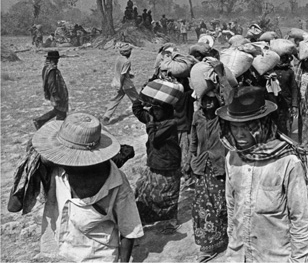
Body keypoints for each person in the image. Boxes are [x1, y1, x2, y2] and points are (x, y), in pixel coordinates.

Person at [217, 86, 308, 262]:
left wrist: (299, 260)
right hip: (239, 254)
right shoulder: (233, 156)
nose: (239, 134)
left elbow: (300, 219)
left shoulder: (288, 162)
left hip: (273, 256)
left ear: (261, 126)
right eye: (234, 127)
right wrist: (232, 244)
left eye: (246, 127)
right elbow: (232, 206)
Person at [33, 112, 143, 262]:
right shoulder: (56, 171)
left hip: (98, 257)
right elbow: (15, 206)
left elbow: (129, 230)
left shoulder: (116, 183)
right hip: (64, 253)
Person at [183, 91, 229, 262]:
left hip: (220, 167)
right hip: (202, 168)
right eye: (206, 100)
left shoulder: (223, 117)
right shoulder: (197, 117)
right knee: (201, 206)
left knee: (220, 204)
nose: (209, 103)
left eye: (212, 100)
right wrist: (189, 160)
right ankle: (207, 244)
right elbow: (193, 141)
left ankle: (220, 239)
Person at [132, 83, 182, 233]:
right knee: (149, 193)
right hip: (155, 162)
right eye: (153, 108)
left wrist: (151, 122)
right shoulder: (154, 119)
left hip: (168, 165)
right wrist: (141, 96)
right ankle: (152, 218)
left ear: (165, 111)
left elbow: (154, 139)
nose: (153, 111)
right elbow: (138, 111)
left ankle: (170, 222)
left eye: (156, 109)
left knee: (167, 195)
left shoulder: (171, 123)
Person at [102, 43, 139, 125]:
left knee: (115, 100)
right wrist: (121, 85)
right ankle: (141, 114)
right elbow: (122, 74)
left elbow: (121, 71)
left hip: (116, 82)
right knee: (137, 100)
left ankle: (106, 117)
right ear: (128, 52)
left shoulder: (118, 58)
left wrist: (128, 75)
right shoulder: (127, 61)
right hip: (125, 85)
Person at [34, 51, 69, 130]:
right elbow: (51, 83)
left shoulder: (47, 67)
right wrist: (55, 95)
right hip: (57, 94)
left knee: (57, 110)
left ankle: (39, 121)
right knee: (61, 114)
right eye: (56, 59)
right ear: (52, 59)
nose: (57, 61)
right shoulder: (52, 69)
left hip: (55, 93)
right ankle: (59, 130)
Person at [272, 53, 299, 136]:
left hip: (286, 102)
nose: (281, 60)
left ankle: (286, 141)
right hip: (274, 101)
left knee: (286, 124)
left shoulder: (289, 72)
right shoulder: (271, 70)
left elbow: (294, 88)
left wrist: (294, 105)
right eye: (279, 58)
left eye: (283, 58)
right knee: (275, 123)